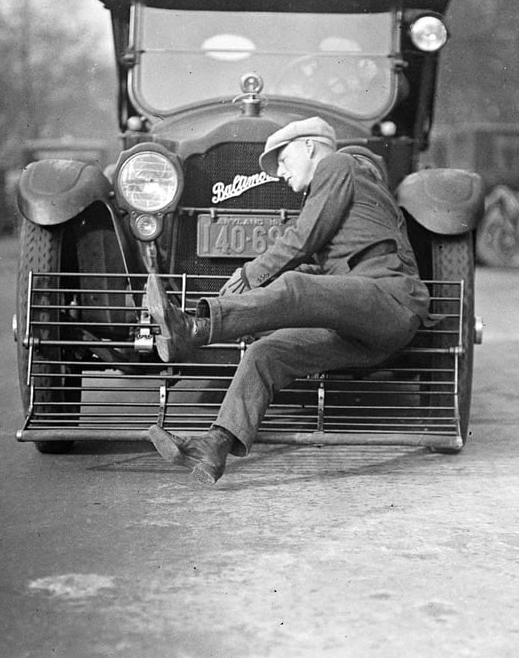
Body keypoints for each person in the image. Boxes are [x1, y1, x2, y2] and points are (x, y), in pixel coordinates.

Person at [144, 116, 431, 484]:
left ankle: (195, 328)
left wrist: (251, 275)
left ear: (310, 146)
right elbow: (325, 274)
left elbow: (303, 239)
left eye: (282, 159)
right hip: (363, 330)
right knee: (267, 354)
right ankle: (213, 446)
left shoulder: (338, 164)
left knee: (295, 285)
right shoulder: (343, 192)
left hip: (391, 301)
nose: (279, 173)